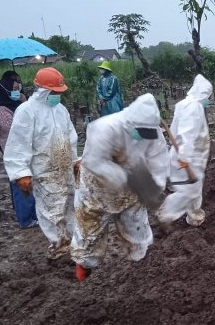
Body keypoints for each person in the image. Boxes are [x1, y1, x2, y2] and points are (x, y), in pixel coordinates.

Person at [70, 93, 169, 281]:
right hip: (96, 191)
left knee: (140, 237)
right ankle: (84, 276)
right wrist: (124, 178)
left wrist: (155, 189)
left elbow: (160, 162)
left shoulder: (152, 133)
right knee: (89, 239)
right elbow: (94, 162)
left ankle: (141, 274)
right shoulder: (105, 128)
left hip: (131, 194)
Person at [3, 67, 79, 260]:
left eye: (59, 92)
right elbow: (18, 144)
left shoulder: (60, 110)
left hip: (65, 169)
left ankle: (72, 245)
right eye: (54, 92)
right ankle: (58, 249)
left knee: (70, 207)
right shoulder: (27, 111)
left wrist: (75, 161)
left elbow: (71, 138)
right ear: (43, 90)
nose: (57, 95)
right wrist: (21, 173)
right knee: (52, 212)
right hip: (44, 170)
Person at [157, 74, 213, 227]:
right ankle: (165, 215)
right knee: (190, 191)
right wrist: (185, 158)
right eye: (208, 96)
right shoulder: (193, 107)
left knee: (193, 189)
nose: (209, 100)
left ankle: (194, 218)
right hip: (188, 158)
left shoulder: (186, 104)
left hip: (189, 157)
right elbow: (187, 133)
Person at [0, 70, 37, 229]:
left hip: (27, 150)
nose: (17, 91)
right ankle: (25, 219)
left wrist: (25, 104)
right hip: (14, 152)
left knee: (30, 184)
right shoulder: (1, 109)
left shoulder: (22, 104)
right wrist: (24, 105)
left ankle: (30, 215)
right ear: (6, 90)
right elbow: (16, 128)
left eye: (19, 88)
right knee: (21, 184)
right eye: (14, 89)